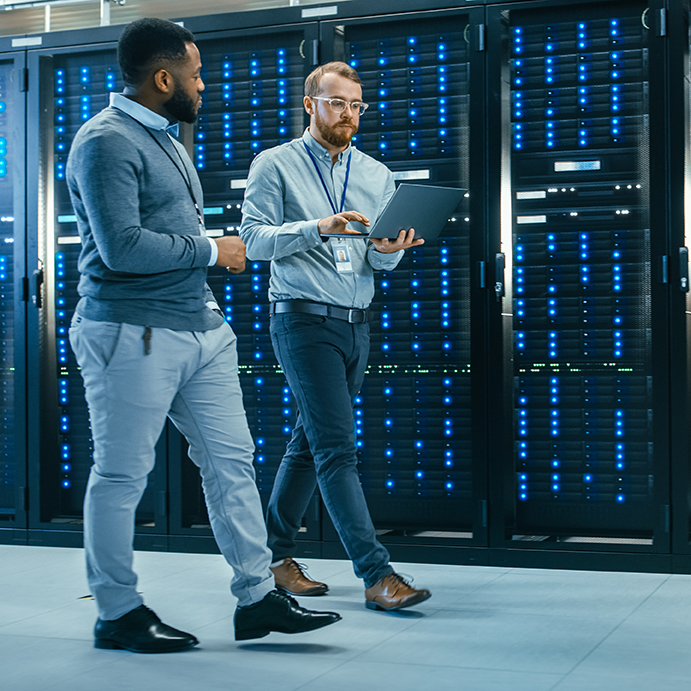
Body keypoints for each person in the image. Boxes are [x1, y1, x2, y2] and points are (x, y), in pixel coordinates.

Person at [66, 18, 340, 653]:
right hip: (130, 332)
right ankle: (117, 612)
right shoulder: (105, 141)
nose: (204, 84)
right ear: (164, 79)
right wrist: (214, 251)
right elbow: (123, 249)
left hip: (200, 330)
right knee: (121, 475)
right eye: (194, 74)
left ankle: (257, 598)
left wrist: (211, 284)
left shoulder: (166, 137)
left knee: (231, 464)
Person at [240, 61, 432, 611]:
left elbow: (373, 255)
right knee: (336, 449)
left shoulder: (375, 174)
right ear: (310, 104)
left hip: (357, 324)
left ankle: (273, 558)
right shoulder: (273, 164)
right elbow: (253, 241)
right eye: (337, 103)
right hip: (301, 320)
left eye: (356, 105)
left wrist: (388, 253)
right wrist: (316, 228)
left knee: (309, 442)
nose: (348, 114)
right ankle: (377, 575)